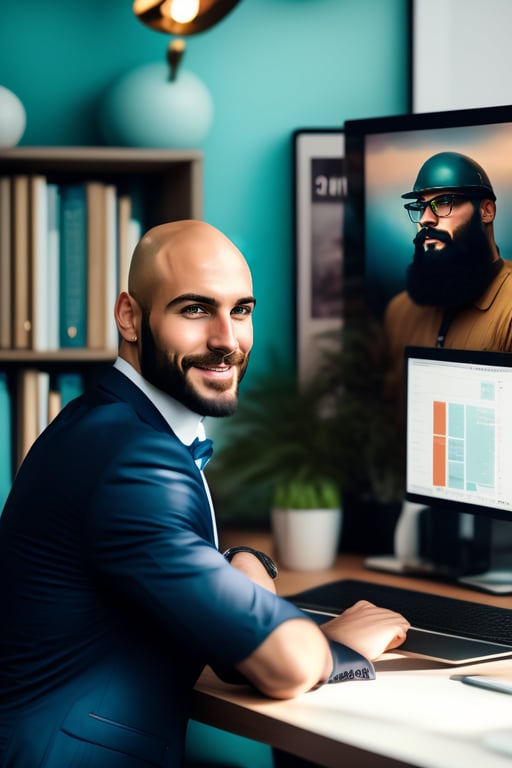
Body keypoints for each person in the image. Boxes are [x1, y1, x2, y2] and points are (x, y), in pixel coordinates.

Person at [0, 220, 409, 768]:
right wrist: (338, 646)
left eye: (241, 310)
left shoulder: (103, 422)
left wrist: (242, 560)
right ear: (129, 316)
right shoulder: (134, 458)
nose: (227, 340)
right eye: (195, 310)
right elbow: (280, 665)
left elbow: (215, 631)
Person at [385, 150, 512, 409]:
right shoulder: (400, 313)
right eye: (421, 206)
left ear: (486, 210)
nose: (425, 220)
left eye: (444, 202)